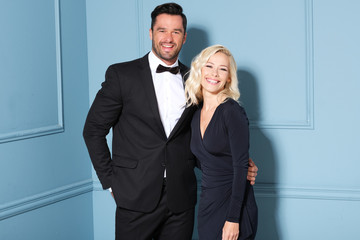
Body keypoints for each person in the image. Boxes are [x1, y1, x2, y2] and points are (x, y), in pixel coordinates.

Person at [83, 3, 258, 240]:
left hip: (181, 200)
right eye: (162, 30)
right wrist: (111, 183)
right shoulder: (122, 75)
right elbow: (92, 130)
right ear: (150, 33)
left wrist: (239, 166)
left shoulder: (196, 81)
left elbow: (205, 137)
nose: (168, 38)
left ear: (184, 37)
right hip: (134, 196)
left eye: (176, 31)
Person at [184, 45, 258, 240]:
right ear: (200, 70)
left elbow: (240, 165)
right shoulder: (195, 113)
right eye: (209, 66)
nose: (214, 73)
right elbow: (204, 160)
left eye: (222, 69)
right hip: (208, 205)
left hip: (234, 208)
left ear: (229, 78)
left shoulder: (232, 112)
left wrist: (233, 219)